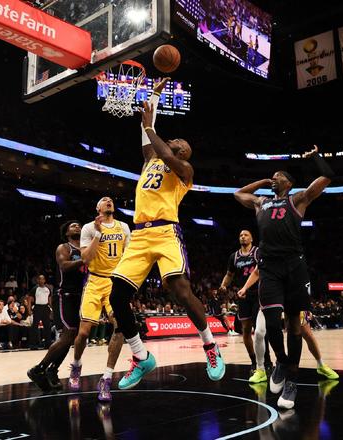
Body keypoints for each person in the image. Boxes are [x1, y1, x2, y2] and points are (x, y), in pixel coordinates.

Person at [109, 78, 225, 390]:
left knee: (181, 291)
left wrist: (151, 128)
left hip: (166, 233)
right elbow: (146, 129)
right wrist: (155, 96)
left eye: (180, 142)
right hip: (139, 235)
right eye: (172, 139)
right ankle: (140, 356)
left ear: (185, 152)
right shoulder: (151, 159)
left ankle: (210, 346)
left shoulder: (184, 170)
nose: (175, 141)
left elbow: (159, 143)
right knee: (117, 296)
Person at [234, 144, 334, 409]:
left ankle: (292, 381)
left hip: (294, 266)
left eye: (279, 176)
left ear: (289, 183)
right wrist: (262, 181)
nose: (274, 177)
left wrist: (315, 157)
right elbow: (238, 194)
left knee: (294, 324)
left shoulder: (297, 199)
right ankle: (281, 361)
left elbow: (327, 176)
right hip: (269, 267)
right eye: (273, 176)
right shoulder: (261, 202)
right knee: (270, 322)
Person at [69, 197, 131, 401]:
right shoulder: (88, 228)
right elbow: (85, 258)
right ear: (98, 208)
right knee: (84, 333)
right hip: (95, 281)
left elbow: (129, 257)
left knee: (120, 327)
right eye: (104, 200)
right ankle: (76, 365)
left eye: (110, 200)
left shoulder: (124, 227)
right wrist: (98, 233)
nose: (108, 201)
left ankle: (106, 378)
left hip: (114, 282)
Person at [238, 267, 339, 383]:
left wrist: (307, 305)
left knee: (306, 333)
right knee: (259, 332)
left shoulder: (293, 260)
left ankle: (321, 365)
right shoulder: (266, 257)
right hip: (272, 297)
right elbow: (256, 272)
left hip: (292, 296)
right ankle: (260, 370)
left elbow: (303, 280)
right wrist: (245, 288)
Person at [27, 221, 86, 392]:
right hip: (64, 295)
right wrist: (84, 260)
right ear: (66, 233)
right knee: (67, 335)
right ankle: (39, 369)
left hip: (80, 296)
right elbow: (64, 266)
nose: (77, 227)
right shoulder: (64, 247)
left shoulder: (85, 249)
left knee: (74, 337)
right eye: (73, 226)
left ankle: (52, 370)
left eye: (79, 225)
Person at [219, 230, 260, 376]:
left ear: (251, 238)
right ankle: (253, 361)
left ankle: (265, 361)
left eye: (246, 235)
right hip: (243, 297)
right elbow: (229, 274)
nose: (243, 237)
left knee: (260, 331)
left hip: (259, 295)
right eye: (241, 235)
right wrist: (223, 285)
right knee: (246, 330)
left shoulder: (257, 252)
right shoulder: (234, 257)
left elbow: (260, 272)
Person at [29, 274, 52, 348]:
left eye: (42, 279)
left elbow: (49, 300)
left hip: (45, 308)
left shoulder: (48, 289)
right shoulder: (35, 288)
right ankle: (33, 344)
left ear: (44, 280)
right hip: (37, 307)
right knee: (35, 326)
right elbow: (29, 300)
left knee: (47, 326)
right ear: (37, 280)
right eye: (40, 279)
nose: (41, 280)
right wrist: (29, 309)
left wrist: (52, 309)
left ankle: (48, 344)